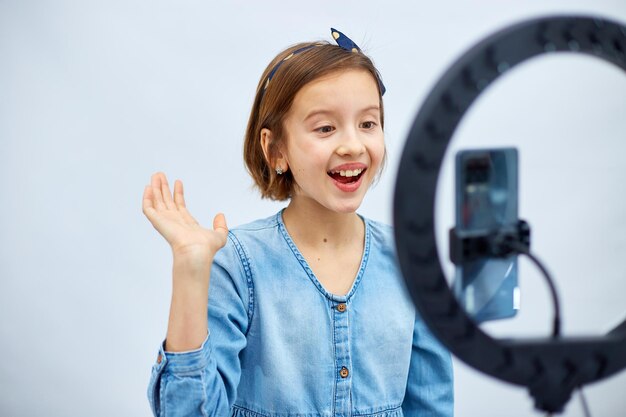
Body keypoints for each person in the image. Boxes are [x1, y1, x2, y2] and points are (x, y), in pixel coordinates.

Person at [142, 28, 453, 417]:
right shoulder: (237, 265)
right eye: (325, 127)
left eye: (368, 124)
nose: (352, 145)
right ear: (275, 150)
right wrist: (190, 269)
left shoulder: (414, 262)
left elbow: (432, 406)